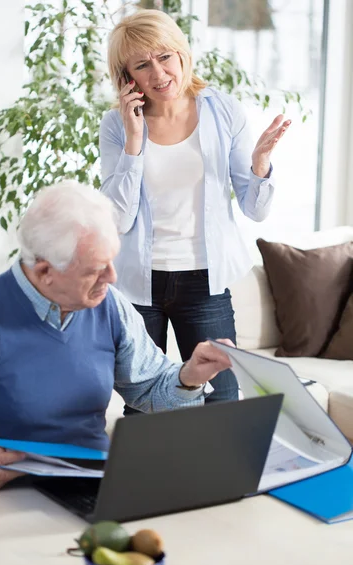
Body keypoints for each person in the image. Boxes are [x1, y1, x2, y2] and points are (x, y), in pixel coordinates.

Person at [0, 180, 233, 493]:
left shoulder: (110, 305)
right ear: (45, 271)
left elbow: (150, 387)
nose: (112, 277)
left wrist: (190, 376)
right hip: (6, 495)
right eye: (96, 269)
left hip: (94, 485)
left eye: (112, 261)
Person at [100, 9, 291, 413]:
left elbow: (256, 210)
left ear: (181, 53)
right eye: (142, 65)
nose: (158, 73)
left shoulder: (222, 111)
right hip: (138, 284)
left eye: (164, 56)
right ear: (127, 75)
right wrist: (135, 140)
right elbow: (116, 218)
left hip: (205, 282)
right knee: (142, 406)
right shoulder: (116, 125)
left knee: (221, 401)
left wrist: (259, 165)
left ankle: (219, 478)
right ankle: (144, 478)